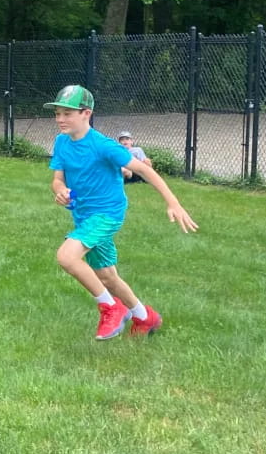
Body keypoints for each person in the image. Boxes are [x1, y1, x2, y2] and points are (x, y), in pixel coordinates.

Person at [45, 85, 198, 340]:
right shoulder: (62, 142)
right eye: (58, 113)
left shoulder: (103, 145)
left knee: (67, 257)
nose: (60, 119)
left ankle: (111, 307)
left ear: (86, 113)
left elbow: (144, 170)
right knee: (107, 277)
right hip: (83, 214)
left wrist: (173, 202)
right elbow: (57, 179)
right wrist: (60, 190)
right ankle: (144, 317)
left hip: (107, 214)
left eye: (67, 114)